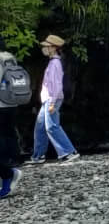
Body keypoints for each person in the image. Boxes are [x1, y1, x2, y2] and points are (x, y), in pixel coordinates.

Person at [30, 34, 80, 165]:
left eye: (46, 46)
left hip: (52, 100)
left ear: (53, 48)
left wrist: (52, 103)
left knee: (52, 126)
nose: (44, 48)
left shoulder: (55, 64)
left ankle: (69, 152)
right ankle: (38, 156)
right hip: (48, 100)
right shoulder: (53, 62)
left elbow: (57, 85)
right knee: (40, 127)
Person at [0, 40, 25, 197]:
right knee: (6, 139)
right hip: (12, 104)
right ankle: (8, 170)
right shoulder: (9, 57)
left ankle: (8, 174)